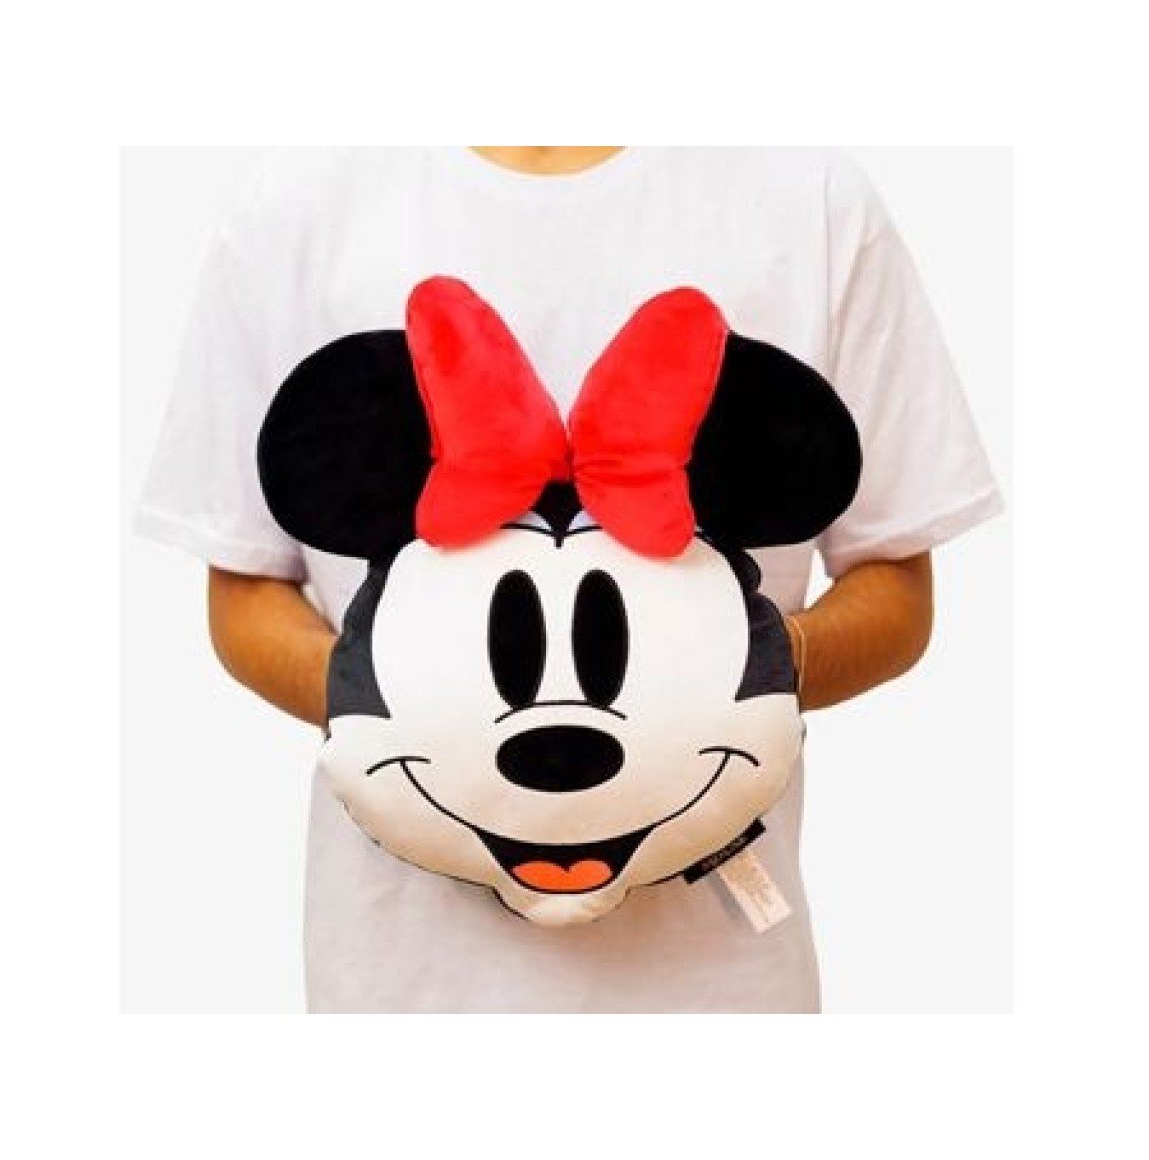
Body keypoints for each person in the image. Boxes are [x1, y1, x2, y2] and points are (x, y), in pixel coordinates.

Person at [135, 146, 1002, 1013]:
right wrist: (391, 700)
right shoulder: (298, 201)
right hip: (400, 983)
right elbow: (243, 593)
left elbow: (895, 588)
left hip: (719, 985)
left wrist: (747, 677)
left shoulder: (808, 193)